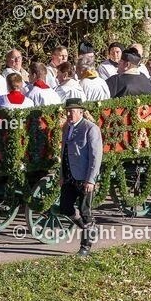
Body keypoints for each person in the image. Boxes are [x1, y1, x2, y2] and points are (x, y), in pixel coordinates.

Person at [60, 98, 102, 256]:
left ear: (81, 112)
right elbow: (63, 152)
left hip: (84, 178)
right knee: (65, 207)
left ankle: (85, 247)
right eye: (68, 111)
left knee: (86, 212)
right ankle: (88, 229)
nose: (69, 114)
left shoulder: (90, 129)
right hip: (70, 176)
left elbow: (95, 156)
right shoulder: (67, 128)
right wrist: (62, 175)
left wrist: (91, 179)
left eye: (72, 111)